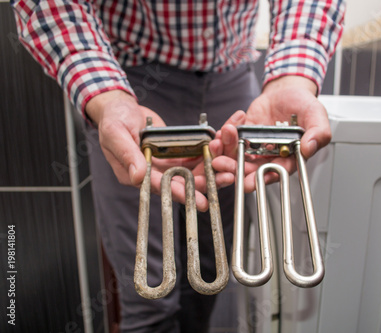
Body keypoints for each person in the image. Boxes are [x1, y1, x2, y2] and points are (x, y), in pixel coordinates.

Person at [11, 0, 345, 332]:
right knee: (148, 298)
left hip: (234, 85)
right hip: (134, 85)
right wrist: (108, 97)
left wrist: (292, 79)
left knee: (210, 273)